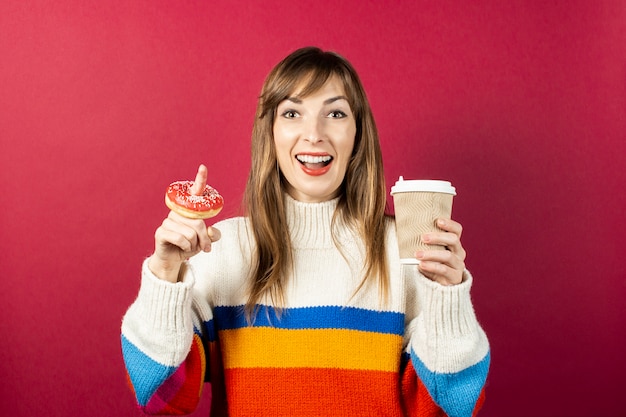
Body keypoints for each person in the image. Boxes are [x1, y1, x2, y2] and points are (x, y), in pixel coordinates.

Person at [121, 46, 490, 417]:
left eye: (335, 113)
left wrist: (447, 299)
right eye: (293, 113)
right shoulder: (221, 252)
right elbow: (159, 399)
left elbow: (451, 410)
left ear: (357, 134)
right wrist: (164, 278)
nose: (314, 134)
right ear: (271, 132)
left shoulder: (408, 253)